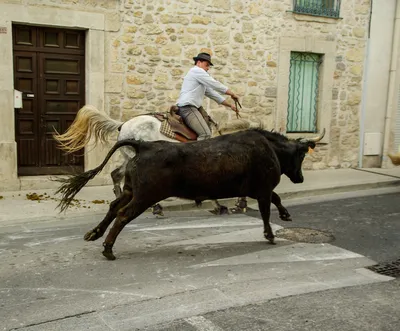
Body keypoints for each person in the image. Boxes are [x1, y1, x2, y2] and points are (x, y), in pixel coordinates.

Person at [176, 52, 240, 140]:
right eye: (206, 65)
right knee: (205, 134)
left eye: (209, 66)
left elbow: (213, 94)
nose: (208, 68)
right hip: (188, 108)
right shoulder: (196, 71)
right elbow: (215, 84)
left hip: (190, 108)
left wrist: (230, 105)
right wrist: (232, 93)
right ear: (198, 63)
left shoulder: (198, 78)